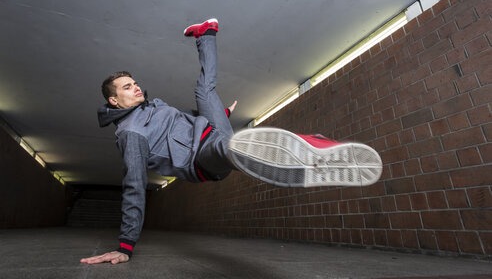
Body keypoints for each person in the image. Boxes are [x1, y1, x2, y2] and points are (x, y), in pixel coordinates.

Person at [80, 18, 382, 265]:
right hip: (203, 158)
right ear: (113, 100)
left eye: (134, 83)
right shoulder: (131, 134)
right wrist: (125, 245)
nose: (136, 89)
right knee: (229, 147)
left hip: (212, 130)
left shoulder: (150, 106)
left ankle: (206, 33)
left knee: (205, 90)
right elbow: (134, 184)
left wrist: (219, 114)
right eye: (126, 88)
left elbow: (180, 120)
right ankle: (306, 146)